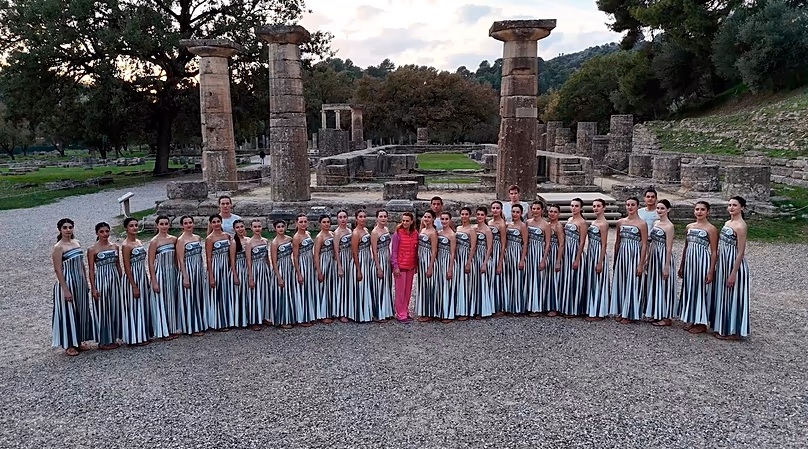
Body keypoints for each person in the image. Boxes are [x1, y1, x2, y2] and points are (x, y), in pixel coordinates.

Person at [51, 218, 93, 356]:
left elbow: (81, 264)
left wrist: (85, 282)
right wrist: (65, 289)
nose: (68, 230)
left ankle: (78, 340)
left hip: (79, 281)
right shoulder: (58, 247)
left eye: (70, 227)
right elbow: (58, 269)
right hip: (67, 282)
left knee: (81, 310)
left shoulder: (76, 243)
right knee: (68, 312)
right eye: (65, 227)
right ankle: (69, 344)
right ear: (60, 230)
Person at [677, 201, 718, 334]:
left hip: (702, 262)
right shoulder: (689, 227)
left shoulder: (711, 229)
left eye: (702, 209)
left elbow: (714, 251)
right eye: (697, 209)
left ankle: (702, 323)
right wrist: (682, 265)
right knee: (690, 289)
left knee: (701, 290)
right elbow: (686, 247)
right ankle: (693, 318)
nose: (699, 212)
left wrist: (711, 271)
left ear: (708, 212)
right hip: (690, 262)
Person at [712, 196, 750, 340]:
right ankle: (724, 327)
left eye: (735, 205)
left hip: (734, 264)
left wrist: (733, 273)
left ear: (742, 207)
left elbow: (741, 251)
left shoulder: (741, 226)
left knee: (733, 297)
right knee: (724, 295)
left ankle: (733, 331)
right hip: (723, 263)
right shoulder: (728, 222)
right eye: (730, 205)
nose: (731, 208)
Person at [610, 197, 648, 324]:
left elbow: (644, 244)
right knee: (622, 282)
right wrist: (616, 258)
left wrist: (641, 264)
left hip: (634, 255)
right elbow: (617, 242)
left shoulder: (642, 224)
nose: (630, 207)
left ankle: (631, 313)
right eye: (628, 204)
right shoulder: (620, 222)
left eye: (633, 205)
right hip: (622, 255)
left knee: (633, 282)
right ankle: (622, 310)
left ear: (637, 206)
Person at [88, 222, 122, 350]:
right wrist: (93, 288)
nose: (105, 234)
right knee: (103, 309)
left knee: (115, 307)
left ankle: (113, 337)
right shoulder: (92, 249)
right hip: (101, 280)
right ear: (97, 233)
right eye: (102, 232)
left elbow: (118, 265)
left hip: (114, 279)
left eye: (107, 231)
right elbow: (91, 270)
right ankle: (103, 340)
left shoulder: (115, 247)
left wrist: (121, 280)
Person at [644, 200, 678, 327]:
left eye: (662, 208)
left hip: (663, 256)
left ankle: (666, 316)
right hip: (654, 255)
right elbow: (652, 242)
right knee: (654, 283)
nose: (659, 210)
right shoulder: (655, 223)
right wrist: (648, 258)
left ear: (668, 210)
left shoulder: (669, 226)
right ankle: (656, 312)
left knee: (664, 285)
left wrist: (666, 266)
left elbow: (669, 247)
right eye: (658, 208)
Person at [147, 215, 179, 340]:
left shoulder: (174, 239)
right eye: (161, 224)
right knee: (162, 301)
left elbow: (176, 258)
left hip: (172, 271)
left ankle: (172, 328)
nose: (164, 226)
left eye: (166, 224)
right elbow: (150, 262)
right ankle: (163, 331)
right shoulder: (154, 242)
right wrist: (154, 281)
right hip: (160, 272)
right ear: (157, 225)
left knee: (172, 299)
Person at [120, 217, 150, 345]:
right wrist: (133, 285)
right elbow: (126, 266)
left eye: (136, 225)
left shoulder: (139, 241)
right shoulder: (126, 245)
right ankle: (134, 337)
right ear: (126, 228)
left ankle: (143, 334)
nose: (134, 228)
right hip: (132, 277)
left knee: (142, 305)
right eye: (131, 226)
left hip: (141, 274)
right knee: (133, 307)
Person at [176, 216, 208, 336]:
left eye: (190, 222)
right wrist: (185, 276)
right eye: (186, 223)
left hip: (198, 269)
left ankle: (201, 323)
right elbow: (180, 259)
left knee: (199, 296)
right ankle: (191, 327)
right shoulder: (181, 240)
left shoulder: (197, 237)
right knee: (190, 298)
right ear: (182, 226)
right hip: (188, 270)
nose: (188, 225)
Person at [206, 214, 236, 330]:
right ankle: (218, 322)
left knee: (227, 292)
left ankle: (229, 319)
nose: (216, 224)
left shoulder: (227, 236)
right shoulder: (209, 239)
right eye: (214, 222)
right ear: (211, 224)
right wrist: (211, 275)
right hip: (216, 266)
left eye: (218, 221)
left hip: (226, 266)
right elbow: (208, 257)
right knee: (217, 294)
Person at [559, 198, 587, 317]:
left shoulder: (582, 222)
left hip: (575, 252)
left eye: (576, 206)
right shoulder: (569, 219)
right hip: (567, 251)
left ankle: (574, 309)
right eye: (572, 205)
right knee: (567, 279)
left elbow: (582, 242)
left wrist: (577, 258)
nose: (573, 208)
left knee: (575, 280)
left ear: (581, 208)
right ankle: (566, 306)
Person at [584, 199, 610, 321]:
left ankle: (599, 312)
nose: (596, 208)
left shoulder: (604, 224)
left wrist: (600, 262)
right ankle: (591, 308)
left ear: (604, 208)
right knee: (592, 281)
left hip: (599, 254)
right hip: (591, 253)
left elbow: (604, 244)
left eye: (598, 206)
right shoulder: (593, 222)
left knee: (598, 282)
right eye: (594, 206)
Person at [391, 212, 419, 322]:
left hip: (410, 266)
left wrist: (415, 265)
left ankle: (405, 311)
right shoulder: (397, 234)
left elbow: (416, 250)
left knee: (408, 291)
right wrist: (395, 266)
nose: (405, 223)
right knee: (400, 292)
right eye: (403, 220)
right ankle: (400, 313)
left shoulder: (415, 233)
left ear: (411, 221)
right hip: (401, 266)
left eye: (407, 221)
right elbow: (394, 251)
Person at [525, 201, 551, 316]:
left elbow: (548, 243)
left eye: (538, 209)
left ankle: (538, 307)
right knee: (529, 279)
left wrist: (543, 259)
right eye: (533, 209)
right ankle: (529, 304)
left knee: (539, 279)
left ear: (542, 210)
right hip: (529, 253)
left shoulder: (545, 225)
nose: (535, 211)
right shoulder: (528, 222)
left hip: (539, 253)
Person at [292, 214, 316, 326]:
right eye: (301, 222)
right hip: (302, 264)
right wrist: (298, 273)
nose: (303, 224)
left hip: (310, 263)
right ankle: (302, 318)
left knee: (309, 289)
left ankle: (310, 314)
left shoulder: (308, 234)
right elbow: (295, 257)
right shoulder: (296, 238)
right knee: (302, 291)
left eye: (305, 221)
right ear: (296, 223)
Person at [504, 204, 528, 314]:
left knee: (518, 279)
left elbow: (525, 243)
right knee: (509, 279)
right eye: (513, 212)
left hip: (518, 253)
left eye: (517, 212)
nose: (515, 214)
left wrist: (522, 259)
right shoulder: (508, 225)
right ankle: (509, 305)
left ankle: (518, 307)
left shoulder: (523, 226)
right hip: (508, 253)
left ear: (521, 213)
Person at [454, 207, 478, 320]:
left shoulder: (471, 230)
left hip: (466, 257)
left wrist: (468, 262)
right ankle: (458, 309)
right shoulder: (458, 228)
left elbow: (473, 247)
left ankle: (466, 311)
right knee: (458, 283)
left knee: (466, 284)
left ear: (470, 216)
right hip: (458, 257)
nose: (464, 216)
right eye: (462, 214)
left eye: (466, 214)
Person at [271, 220, 295, 328]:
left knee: (289, 293)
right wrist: (278, 277)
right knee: (282, 294)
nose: (281, 228)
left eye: (282, 226)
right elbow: (274, 261)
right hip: (280, 268)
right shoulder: (274, 243)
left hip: (289, 267)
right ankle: (282, 320)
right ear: (275, 228)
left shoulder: (289, 239)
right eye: (278, 227)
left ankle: (290, 317)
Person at [371, 210, 395, 321]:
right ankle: (379, 314)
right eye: (381, 216)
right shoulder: (375, 232)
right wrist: (378, 267)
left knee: (387, 285)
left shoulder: (386, 229)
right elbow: (374, 251)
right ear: (377, 218)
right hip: (379, 259)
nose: (383, 218)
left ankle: (387, 311)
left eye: (385, 216)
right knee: (380, 286)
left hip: (386, 258)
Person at [350, 210, 374, 323]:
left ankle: (367, 312)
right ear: (356, 219)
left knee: (367, 286)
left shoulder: (366, 230)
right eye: (360, 216)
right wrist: (358, 270)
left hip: (367, 259)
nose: (363, 218)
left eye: (364, 216)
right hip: (359, 261)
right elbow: (354, 253)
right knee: (360, 287)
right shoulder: (355, 233)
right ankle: (359, 314)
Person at [245, 219, 269, 330]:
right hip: (254, 269)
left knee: (264, 292)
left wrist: (269, 269)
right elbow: (248, 260)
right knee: (254, 294)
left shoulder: (265, 241)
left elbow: (267, 257)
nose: (257, 228)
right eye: (255, 227)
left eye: (259, 226)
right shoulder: (249, 243)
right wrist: (250, 277)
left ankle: (263, 316)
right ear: (251, 228)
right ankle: (253, 320)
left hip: (264, 269)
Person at [417, 210, 439, 322]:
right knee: (423, 286)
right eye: (425, 216)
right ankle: (423, 310)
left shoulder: (433, 232)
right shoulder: (423, 230)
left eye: (429, 217)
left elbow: (434, 251)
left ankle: (430, 312)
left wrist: (430, 267)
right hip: (421, 260)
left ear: (433, 219)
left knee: (429, 286)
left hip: (428, 260)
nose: (426, 219)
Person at [435, 212, 457, 323]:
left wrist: (450, 268)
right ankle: (440, 311)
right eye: (442, 219)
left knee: (447, 288)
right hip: (439, 261)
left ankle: (448, 314)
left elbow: (453, 253)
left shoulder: (452, 235)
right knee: (439, 287)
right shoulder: (438, 233)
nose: (444, 221)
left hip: (447, 261)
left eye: (446, 219)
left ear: (450, 220)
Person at [313, 215, 335, 324]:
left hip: (331, 263)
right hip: (323, 262)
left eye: (328, 222)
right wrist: (319, 271)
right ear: (320, 224)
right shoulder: (319, 237)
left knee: (330, 287)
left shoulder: (332, 234)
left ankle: (330, 311)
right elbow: (316, 255)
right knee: (323, 288)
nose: (326, 224)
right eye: (324, 222)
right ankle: (322, 314)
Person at [474, 207, 495, 318]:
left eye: (482, 215)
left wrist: (485, 263)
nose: (480, 217)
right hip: (475, 257)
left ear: (485, 216)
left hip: (484, 257)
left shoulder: (487, 230)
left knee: (483, 284)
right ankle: (476, 309)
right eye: (478, 214)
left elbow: (490, 247)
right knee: (476, 284)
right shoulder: (474, 228)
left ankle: (485, 310)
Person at [488, 201, 508, 316]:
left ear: (501, 210)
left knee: (499, 279)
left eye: (497, 208)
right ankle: (492, 305)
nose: (495, 210)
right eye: (493, 208)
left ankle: (500, 306)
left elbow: (504, 244)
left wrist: (500, 262)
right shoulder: (489, 222)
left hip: (498, 251)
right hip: (489, 251)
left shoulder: (502, 224)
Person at [545, 204, 565, 316]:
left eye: (555, 212)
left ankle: (555, 306)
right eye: (550, 211)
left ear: (559, 214)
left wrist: (558, 261)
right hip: (547, 253)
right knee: (547, 279)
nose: (552, 214)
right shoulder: (547, 224)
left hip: (554, 253)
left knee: (555, 280)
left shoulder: (558, 226)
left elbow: (561, 244)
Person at [333, 210, 352, 323]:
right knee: (342, 286)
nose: (343, 219)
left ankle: (349, 310)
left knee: (349, 285)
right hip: (341, 258)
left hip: (349, 258)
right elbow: (336, 250)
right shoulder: (337, 233)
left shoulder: (349, 230)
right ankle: (341, 312)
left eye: (344, 217)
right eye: (340, 217)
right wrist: (339, 266)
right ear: (337, 219)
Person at [232, 220, 251, 328]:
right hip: (239, 268)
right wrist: (235, 275)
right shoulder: (234, 242)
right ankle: (240, 319)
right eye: (237, 227)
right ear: (234, 229)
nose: (240, 229)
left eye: (242, 226)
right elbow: (232, 260)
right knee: (240, 293)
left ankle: (250, 317)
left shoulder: (248, 240)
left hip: (248, 267)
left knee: (249, 293)